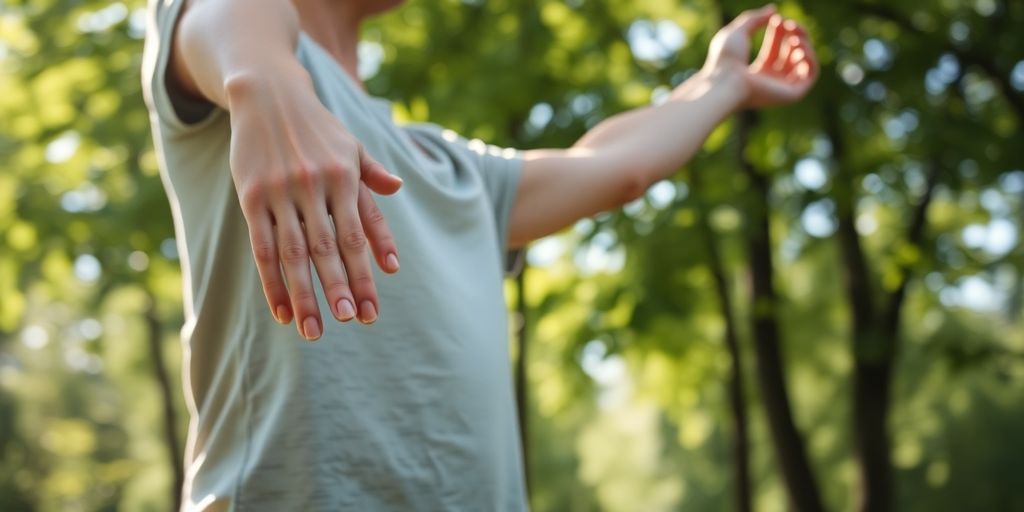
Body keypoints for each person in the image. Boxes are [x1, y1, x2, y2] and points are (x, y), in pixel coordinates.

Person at [142, 0, 817, 509]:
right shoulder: (238, 48)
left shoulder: (447, 167)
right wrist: (265, 84)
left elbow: (615, 167)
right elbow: (226, 20)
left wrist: (723, 84)